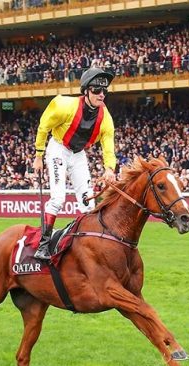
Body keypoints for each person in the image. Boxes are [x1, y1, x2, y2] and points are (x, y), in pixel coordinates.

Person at [32, 67, 117, 260]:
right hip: (58, 148)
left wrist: (109, 168)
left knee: (88, 202)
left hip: (78, 154)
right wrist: (39, 155)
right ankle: (43, 245)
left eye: (104, 91)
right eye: (96, 89)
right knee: (58, 198)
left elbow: (108, 145)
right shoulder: (64, 106)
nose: (101, 94)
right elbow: (44, 126)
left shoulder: (106, 118)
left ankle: (91, 245)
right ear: (86, 90)